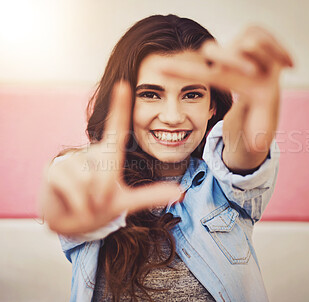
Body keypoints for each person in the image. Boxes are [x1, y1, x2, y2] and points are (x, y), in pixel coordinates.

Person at [39, 14, 293, 302]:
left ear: (212, 106)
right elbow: (74, 180)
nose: (172, 117)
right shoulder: (96, 177)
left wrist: (255, 99)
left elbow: (247, 141)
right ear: (126, 102)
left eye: (192, 95)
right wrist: (71, 194)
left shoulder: (225, 187)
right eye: (150, 94)